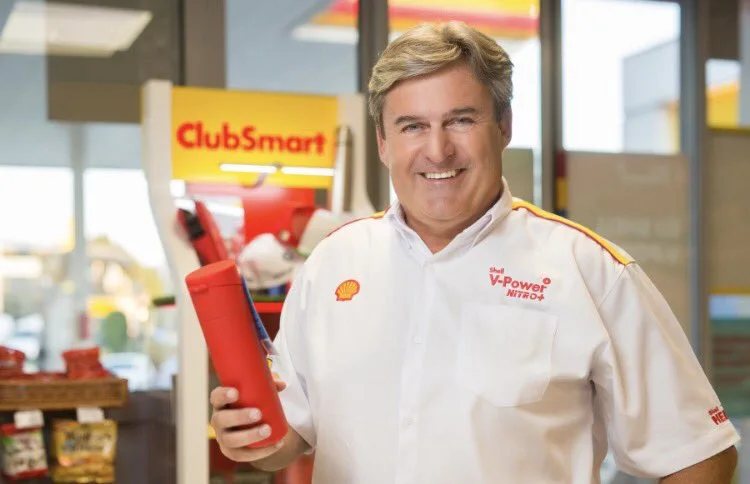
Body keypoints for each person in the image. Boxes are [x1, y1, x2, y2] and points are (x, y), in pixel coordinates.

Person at [210, 21, 740, 483]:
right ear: (383, 143)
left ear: (504, 126)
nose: (438, 150)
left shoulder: (592, 272)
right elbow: (288, 436)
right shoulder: (332, 265)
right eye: (413, 126)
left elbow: (699, 453)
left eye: (461, 120)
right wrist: (248, 435)